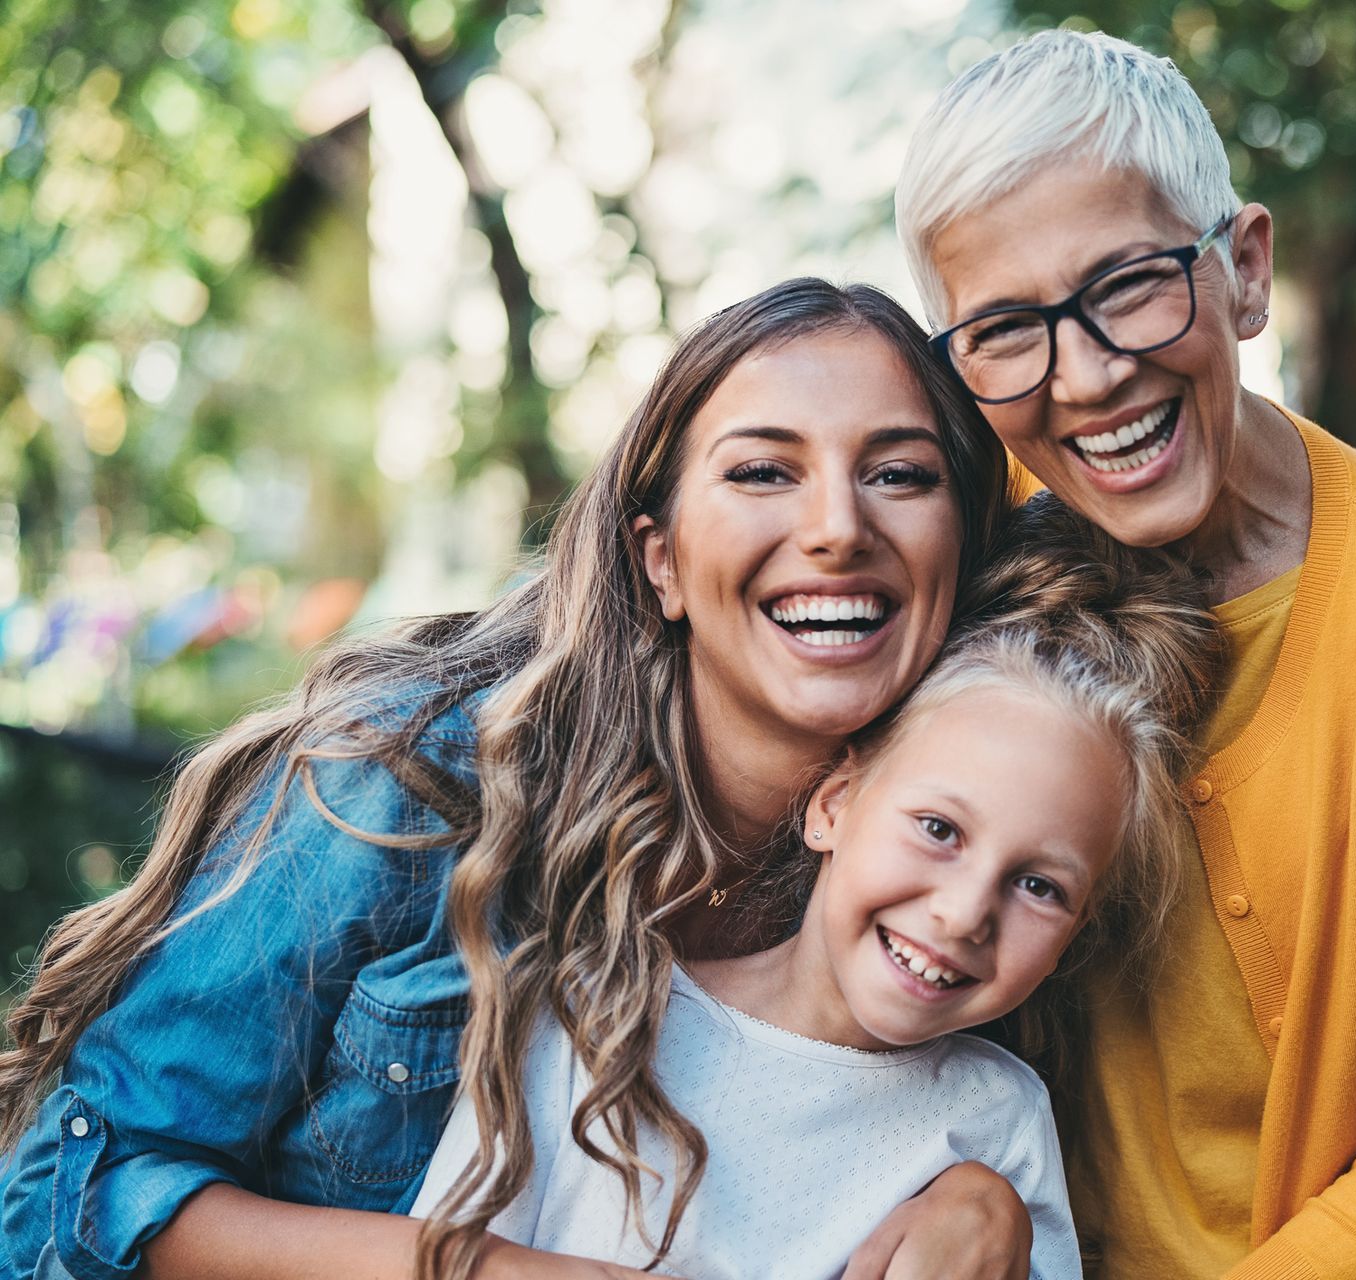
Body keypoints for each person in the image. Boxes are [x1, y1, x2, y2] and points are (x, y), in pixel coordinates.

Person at [0, 278, 1026, 1280]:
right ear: (659, 559)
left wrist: (981, 1192)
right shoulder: (414, 780)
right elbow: (75, 1188)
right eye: (764, 472)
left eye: (901, 474)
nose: (840, 526)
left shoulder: (967, 865)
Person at [895, 29, 1356, 1280]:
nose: (1090, 377)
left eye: (1128, 285)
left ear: (1244, 270)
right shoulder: (959, 565)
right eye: (1005, 329)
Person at [409, 496, 1227, 1280]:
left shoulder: (998, 1123)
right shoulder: (601, 1012)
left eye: (1040, 886)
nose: (965, 911)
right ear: (834, 806)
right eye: (939, 830)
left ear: (1076, 932)